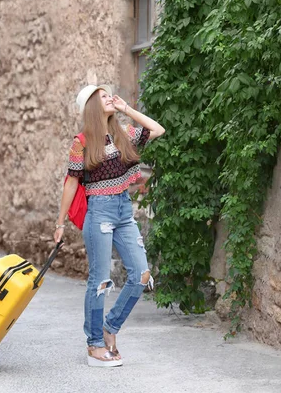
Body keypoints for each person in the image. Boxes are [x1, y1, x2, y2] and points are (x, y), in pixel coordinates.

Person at [54, 84, 165, 367]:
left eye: (109, 95)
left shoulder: (123, 133)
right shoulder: (81, 142)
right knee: (100, 280)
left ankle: (109, 328)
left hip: (124, 211)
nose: (109, 98)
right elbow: (72, 182)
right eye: (103, 96)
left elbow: (157, 129)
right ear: (91, 105)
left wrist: (126, 109)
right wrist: (60, 222)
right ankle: (93, 345)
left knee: (141, 274)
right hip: (99, 212)